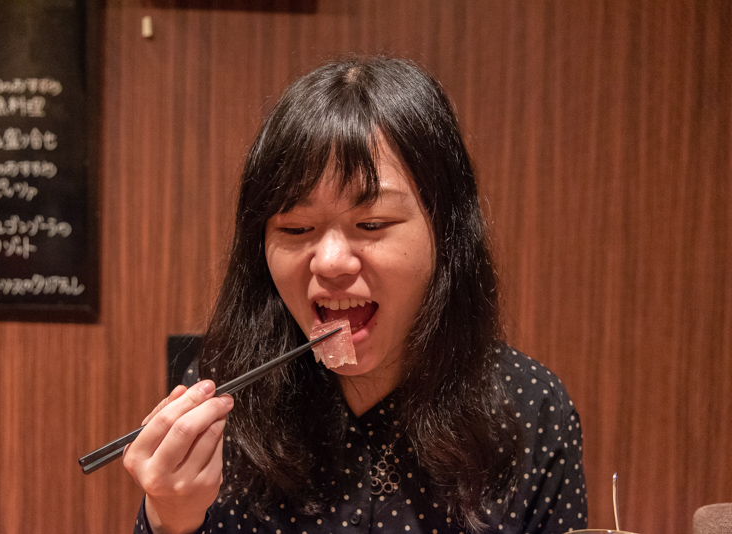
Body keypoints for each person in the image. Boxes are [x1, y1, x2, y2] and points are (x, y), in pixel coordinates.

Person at [123, 56, 588, 534]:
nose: (329, 262)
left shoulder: (530, 407)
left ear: (446, 232)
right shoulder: (224, 396)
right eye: (296, 228)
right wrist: (169, 517)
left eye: (372, 223)